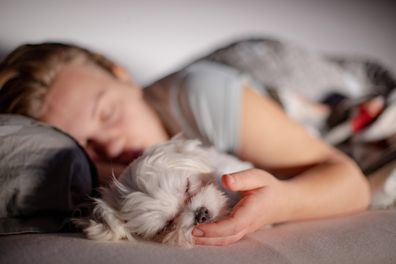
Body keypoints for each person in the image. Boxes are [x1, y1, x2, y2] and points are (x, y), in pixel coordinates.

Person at [0, 42, 370, 246]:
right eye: (85, 146)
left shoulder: (200, 97)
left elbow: (351, 182)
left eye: (108, 113)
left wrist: (282, 203)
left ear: (123, 76)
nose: (110, 146)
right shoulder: (102, 188)